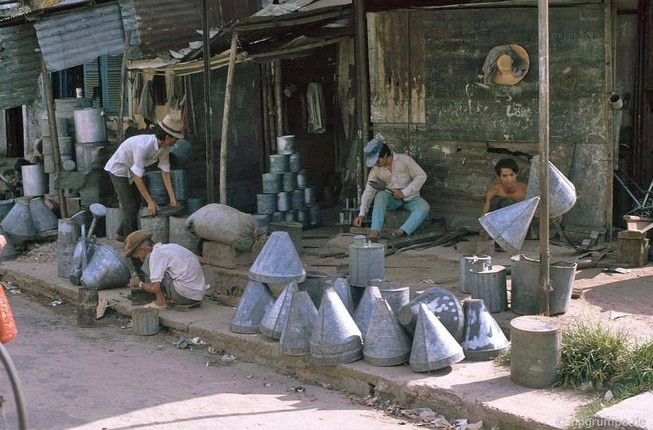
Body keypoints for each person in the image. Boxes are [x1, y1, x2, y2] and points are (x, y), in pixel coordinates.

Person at [104, 113, 184, 241]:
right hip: (118, 169)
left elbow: (165, 173)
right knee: (129, 207)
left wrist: (172, 198)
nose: (176, 141)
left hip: (131, 170)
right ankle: (131, 243)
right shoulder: (143, 146)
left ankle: (121, 234)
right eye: (176, 138)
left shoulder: (164, 148)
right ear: (168, 137)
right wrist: (150, 201)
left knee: (136, 203)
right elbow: (138, 178)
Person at [353, 138, 429, 238]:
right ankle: (374, 232)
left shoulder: (405, 160)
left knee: (424, 207)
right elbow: (368, 192)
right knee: (380, 195)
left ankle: (401, 231)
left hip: (411, 198)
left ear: (384, 155)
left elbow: (422, 176)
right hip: (392, 199)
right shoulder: (376, 170)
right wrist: (362, 214)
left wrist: (404, 192)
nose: (375, 164)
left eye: (377, 160)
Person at [124, 230, 207, 310]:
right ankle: (164, 297)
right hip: (198, 294)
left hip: (184, 296)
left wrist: (140, 284)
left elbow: (155, 288)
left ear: (144, 248)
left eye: (138, 256)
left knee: (150, 264)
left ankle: (160, 301)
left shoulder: (156, 254)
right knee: (163, 271)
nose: (141, 260)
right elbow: (202, 260)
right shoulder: (170, 247)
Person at [480, 158, 527, 241]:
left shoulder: (524, 191)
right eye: (504, 176)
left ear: (516, 174)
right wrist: (483, 229)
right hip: (500, 230)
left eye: (511, 175)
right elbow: (485, 215)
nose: (509, 179)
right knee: (497, 200)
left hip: (520, 229)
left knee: (507, 203)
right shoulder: (494, 191)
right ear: (499, 177)